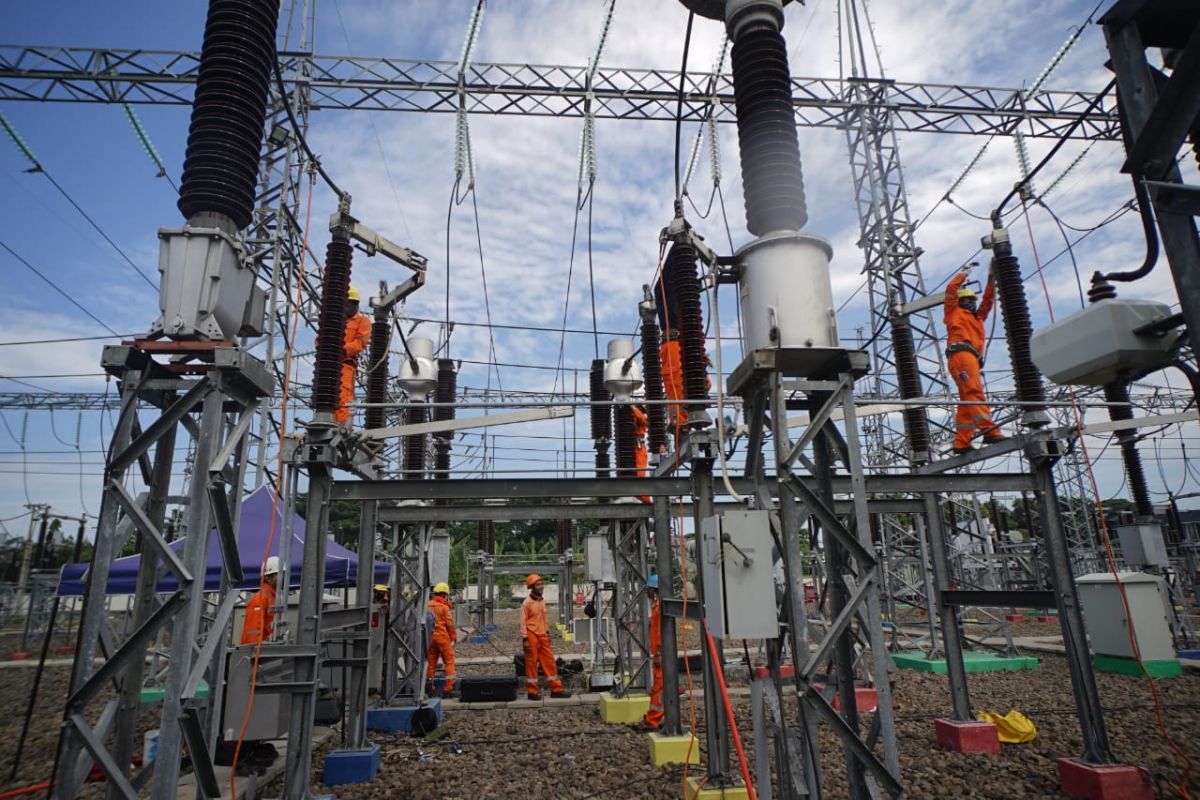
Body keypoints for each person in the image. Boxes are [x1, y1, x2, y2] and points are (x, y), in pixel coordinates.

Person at [945, 262, 1006, 454]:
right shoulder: (953, 311)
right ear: (960, 302)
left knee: (967, 400)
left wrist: (991, 278)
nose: (971, 302)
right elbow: (950, 289)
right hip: (961, 355)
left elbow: (987, 301)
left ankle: (962, 443)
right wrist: (964, 272)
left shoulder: (978, 318)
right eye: (967, 299)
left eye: (972, 299)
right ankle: (989, 430)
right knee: (973, 392)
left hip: (970, 358)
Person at [520, 574, 571, 700]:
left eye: (541, 584)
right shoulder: (526, 603)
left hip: (542, 635)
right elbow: (522, 622)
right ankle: (532, 692)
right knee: (531, 664)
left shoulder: (542, 601)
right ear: (532, 587)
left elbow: (544, 619)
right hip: (531, 635)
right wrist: (525, 639)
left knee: (549, 662)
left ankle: (556, 690)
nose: (541, 586)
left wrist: (547, 633)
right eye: (538, 584)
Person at [336, 286, 372, 426]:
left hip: (346, 364)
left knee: (343, 397)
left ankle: (341, 428)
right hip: (330, 364)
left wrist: (342, 350)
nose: (348, 307)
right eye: (346, 303)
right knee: (325, 394)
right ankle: (328, 421)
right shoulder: (336, 321)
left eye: (351, 303)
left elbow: (361, 342)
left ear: (355, 304)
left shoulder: (362, 321)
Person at [426, 582, 457, 698]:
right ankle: (448, 688)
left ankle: (429, 687)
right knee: (449, 661)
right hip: (442, 636)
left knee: (431, 662)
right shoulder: (444, 607)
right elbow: (449, 624)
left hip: (430, 637)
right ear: (444, 594)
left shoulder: (427, 605)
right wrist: (453, 637)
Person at [641, 574, 664, 731]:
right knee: (659, 685)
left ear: (655, 590)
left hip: (661, 654)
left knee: (659, 686)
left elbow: (662, 632)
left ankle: (653, 720)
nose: (647, 592)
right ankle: (653, 717)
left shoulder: (660, 608)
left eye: (649, 589)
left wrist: (659, 653)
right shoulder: (657, 607)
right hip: (659, 652)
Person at [240, 556, 281, 645]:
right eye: (280, 574)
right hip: (257, 652)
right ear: (268, 578)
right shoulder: (260, 599)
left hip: (266, 649)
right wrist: (255, 654)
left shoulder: (272, 598)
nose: (283, 578)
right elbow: (253, 631)